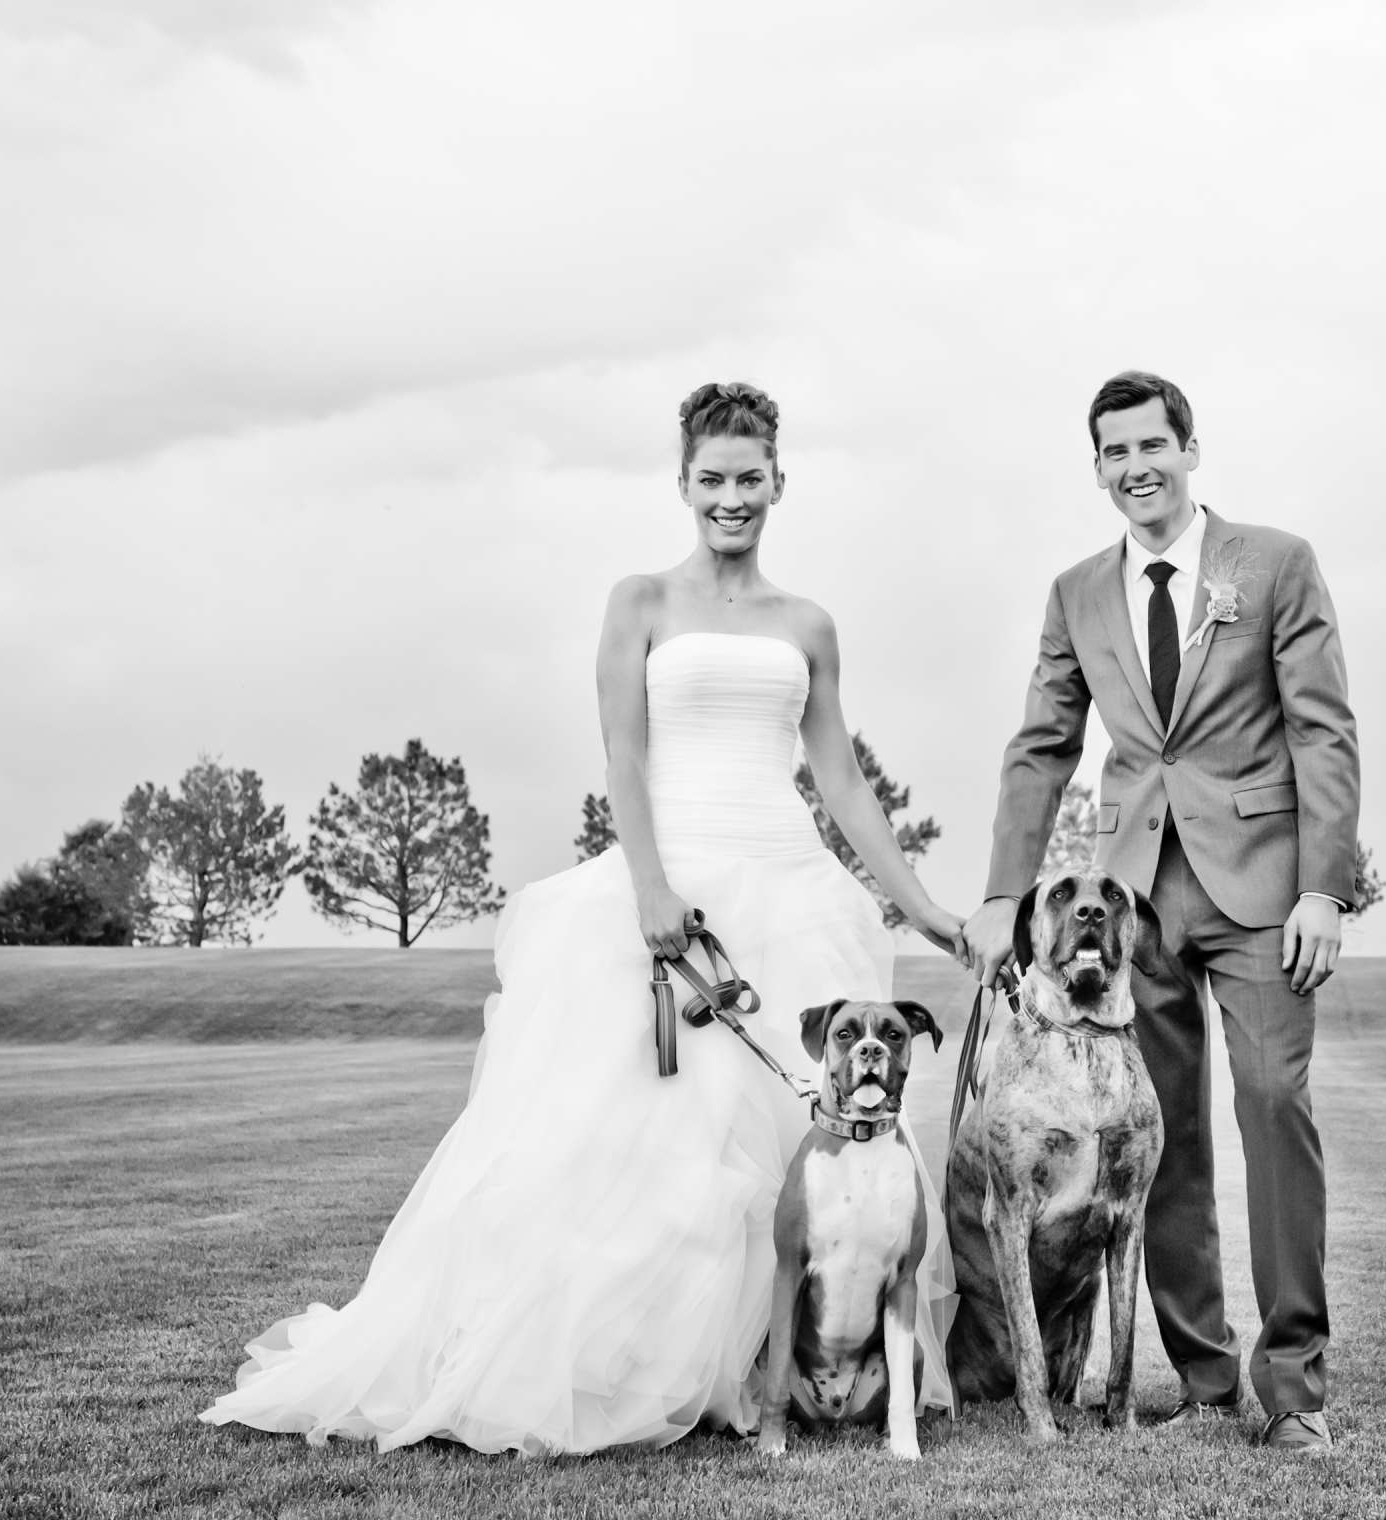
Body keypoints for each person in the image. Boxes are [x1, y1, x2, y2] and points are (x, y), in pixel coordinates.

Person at [202, 382, 965, 1456]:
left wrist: (923, 907)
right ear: (685, 483)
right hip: (671, 885)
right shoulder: (640, 600)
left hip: (792, 884)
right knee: (647, 1148)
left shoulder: (809, 624)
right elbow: (624, 754)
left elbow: (839, 776)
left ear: (779, 481)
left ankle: (770, 1373)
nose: (732, 497)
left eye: (751, 478)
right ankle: (645, 1373)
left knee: (794, 1151)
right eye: (713, 479)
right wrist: (650, 886)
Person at [960, 371, 1360, 1454]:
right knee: (1154, 1136)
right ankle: (1203, 1377)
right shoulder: (1076, 592)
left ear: (1190, 448)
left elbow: (1322, 728)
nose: (1135, 467)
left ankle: (1293, 1389)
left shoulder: (1273, 563)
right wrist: (1006, 892)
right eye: (1112, 452)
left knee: (1275, 1105)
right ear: (1096, 467)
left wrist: (1324, 884)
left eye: (1152, 445)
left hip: (1264, 887)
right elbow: (1044, 744)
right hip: (1128, 900)